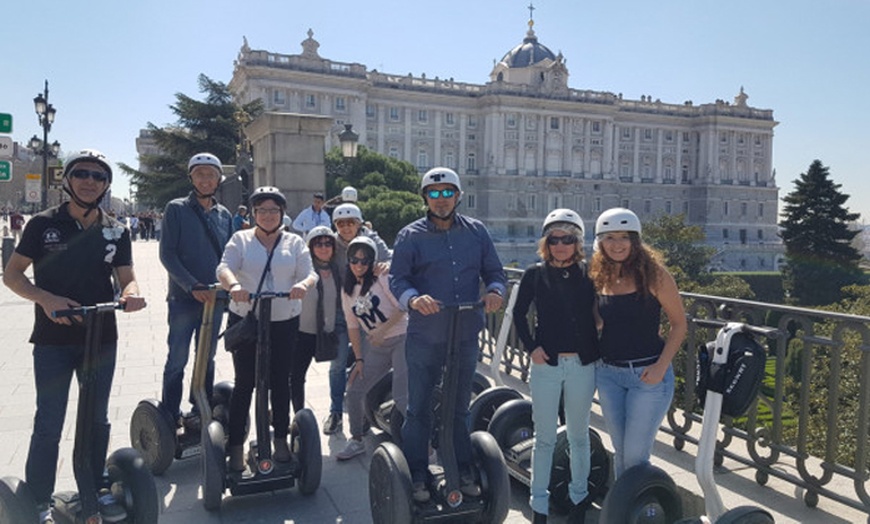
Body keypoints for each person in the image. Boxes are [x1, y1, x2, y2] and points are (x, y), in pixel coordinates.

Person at [2, 149, 147, 524]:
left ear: (106, 185)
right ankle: (38, 500)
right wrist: (46, 299)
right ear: (67, 180)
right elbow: (13, 275)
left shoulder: (116, 228)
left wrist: (130, 294)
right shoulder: (42, 225)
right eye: (81, 173)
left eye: (99, 176)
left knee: (96, 418)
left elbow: (126, 275)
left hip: (100, 335)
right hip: (52, 339)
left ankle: (93, 491)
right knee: (49, 421)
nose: (90, 181)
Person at [390, 166, 507, 503]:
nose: (441, 199)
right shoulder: (410, 235)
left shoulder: (476, 231)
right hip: (425, 334)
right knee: (419, 408)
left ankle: (461, 465)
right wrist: (414, 298)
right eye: (434, 193)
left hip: (466, 332)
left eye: (447, 193)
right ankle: (417, 472)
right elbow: (399, 279)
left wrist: (496, 291)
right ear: (425, 197)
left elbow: (494, 272)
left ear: (458, 196)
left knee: (459, 407)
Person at [512, 209, 600, 524]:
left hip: (581, 364)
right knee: (545, 436)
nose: (560, 245)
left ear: (578, 243)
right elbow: (519, 314)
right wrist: (531, 347)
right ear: (546, 243)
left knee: (578, 435)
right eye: (554, 239)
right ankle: (539, 506)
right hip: (546, 364)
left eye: (567, 239)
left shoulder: (591, 274)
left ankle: (579, 500)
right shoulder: (534, 274)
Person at [217, 186, 313, 470]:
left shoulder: (294, 243)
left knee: (281, 381)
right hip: (247, 320)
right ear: (254, 213)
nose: (268, 215)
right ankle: (235, 446)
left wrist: (302, 285)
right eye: (262, 210)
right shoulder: (241, 240)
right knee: (245, 382)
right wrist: (234, 286)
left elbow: (309, 274)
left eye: (274, 210)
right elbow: (224, 267)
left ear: (282, 213)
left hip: (284, 320)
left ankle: (280, 438)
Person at [590, 207, 687, 478]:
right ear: (600, 242)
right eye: (610, 238)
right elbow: (600, 322)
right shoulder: (600, 276)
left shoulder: (655, 275)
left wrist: (660, 367)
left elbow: (679, 324)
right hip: (609, 374)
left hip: (647, 375)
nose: (617, 244)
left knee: (634, 456)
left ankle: (638, 509)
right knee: (621, 451)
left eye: (624, 237)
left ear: (636, 240)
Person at [159, 152, 233, 430]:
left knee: (207, 357)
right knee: (177, 357)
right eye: (200, 174)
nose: (205, 179)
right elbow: (168, 254)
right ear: (191, 177)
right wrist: (191, 285)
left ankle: (199, 406)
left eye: (210, 174)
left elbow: (227, 256)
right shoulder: (176, 209)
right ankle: (169, 411)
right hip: (183, 299)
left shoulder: (223, 214)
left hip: (214, 300)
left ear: (218, 179)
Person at [322, 202, 391, 435]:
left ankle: (366, 409)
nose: (346, 227)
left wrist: (386, 265)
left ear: (359, 223)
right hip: (342, 311)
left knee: (371, 363)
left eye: (351, 222)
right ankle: (335, 411)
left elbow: (390, 261)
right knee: (338, 364)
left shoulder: (373, 241)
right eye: (340, 223)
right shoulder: (330, 244)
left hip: (369, 312)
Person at [337, 236, 408, 461]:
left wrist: (380, 331)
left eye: (365, 260)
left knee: (403, 397)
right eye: (354, 260)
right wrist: (359, 359)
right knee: (355, 390)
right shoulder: (347, 290)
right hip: (376, 346)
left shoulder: (381, 278)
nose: (359, 265)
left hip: (401, 339)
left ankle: (427, 449)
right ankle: (356, 439)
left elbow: (402, 308)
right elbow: (352, 326)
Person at [295, 225, 340, 413]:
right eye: (318, 244)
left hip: (327, 332)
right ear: (311, 247)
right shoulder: (302, 271)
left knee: (337, 371)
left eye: (328, 243)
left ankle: (336, 411)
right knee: (296, 377)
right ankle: (298, 415)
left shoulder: (339, 271)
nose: (323, 248)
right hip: (301, 332)